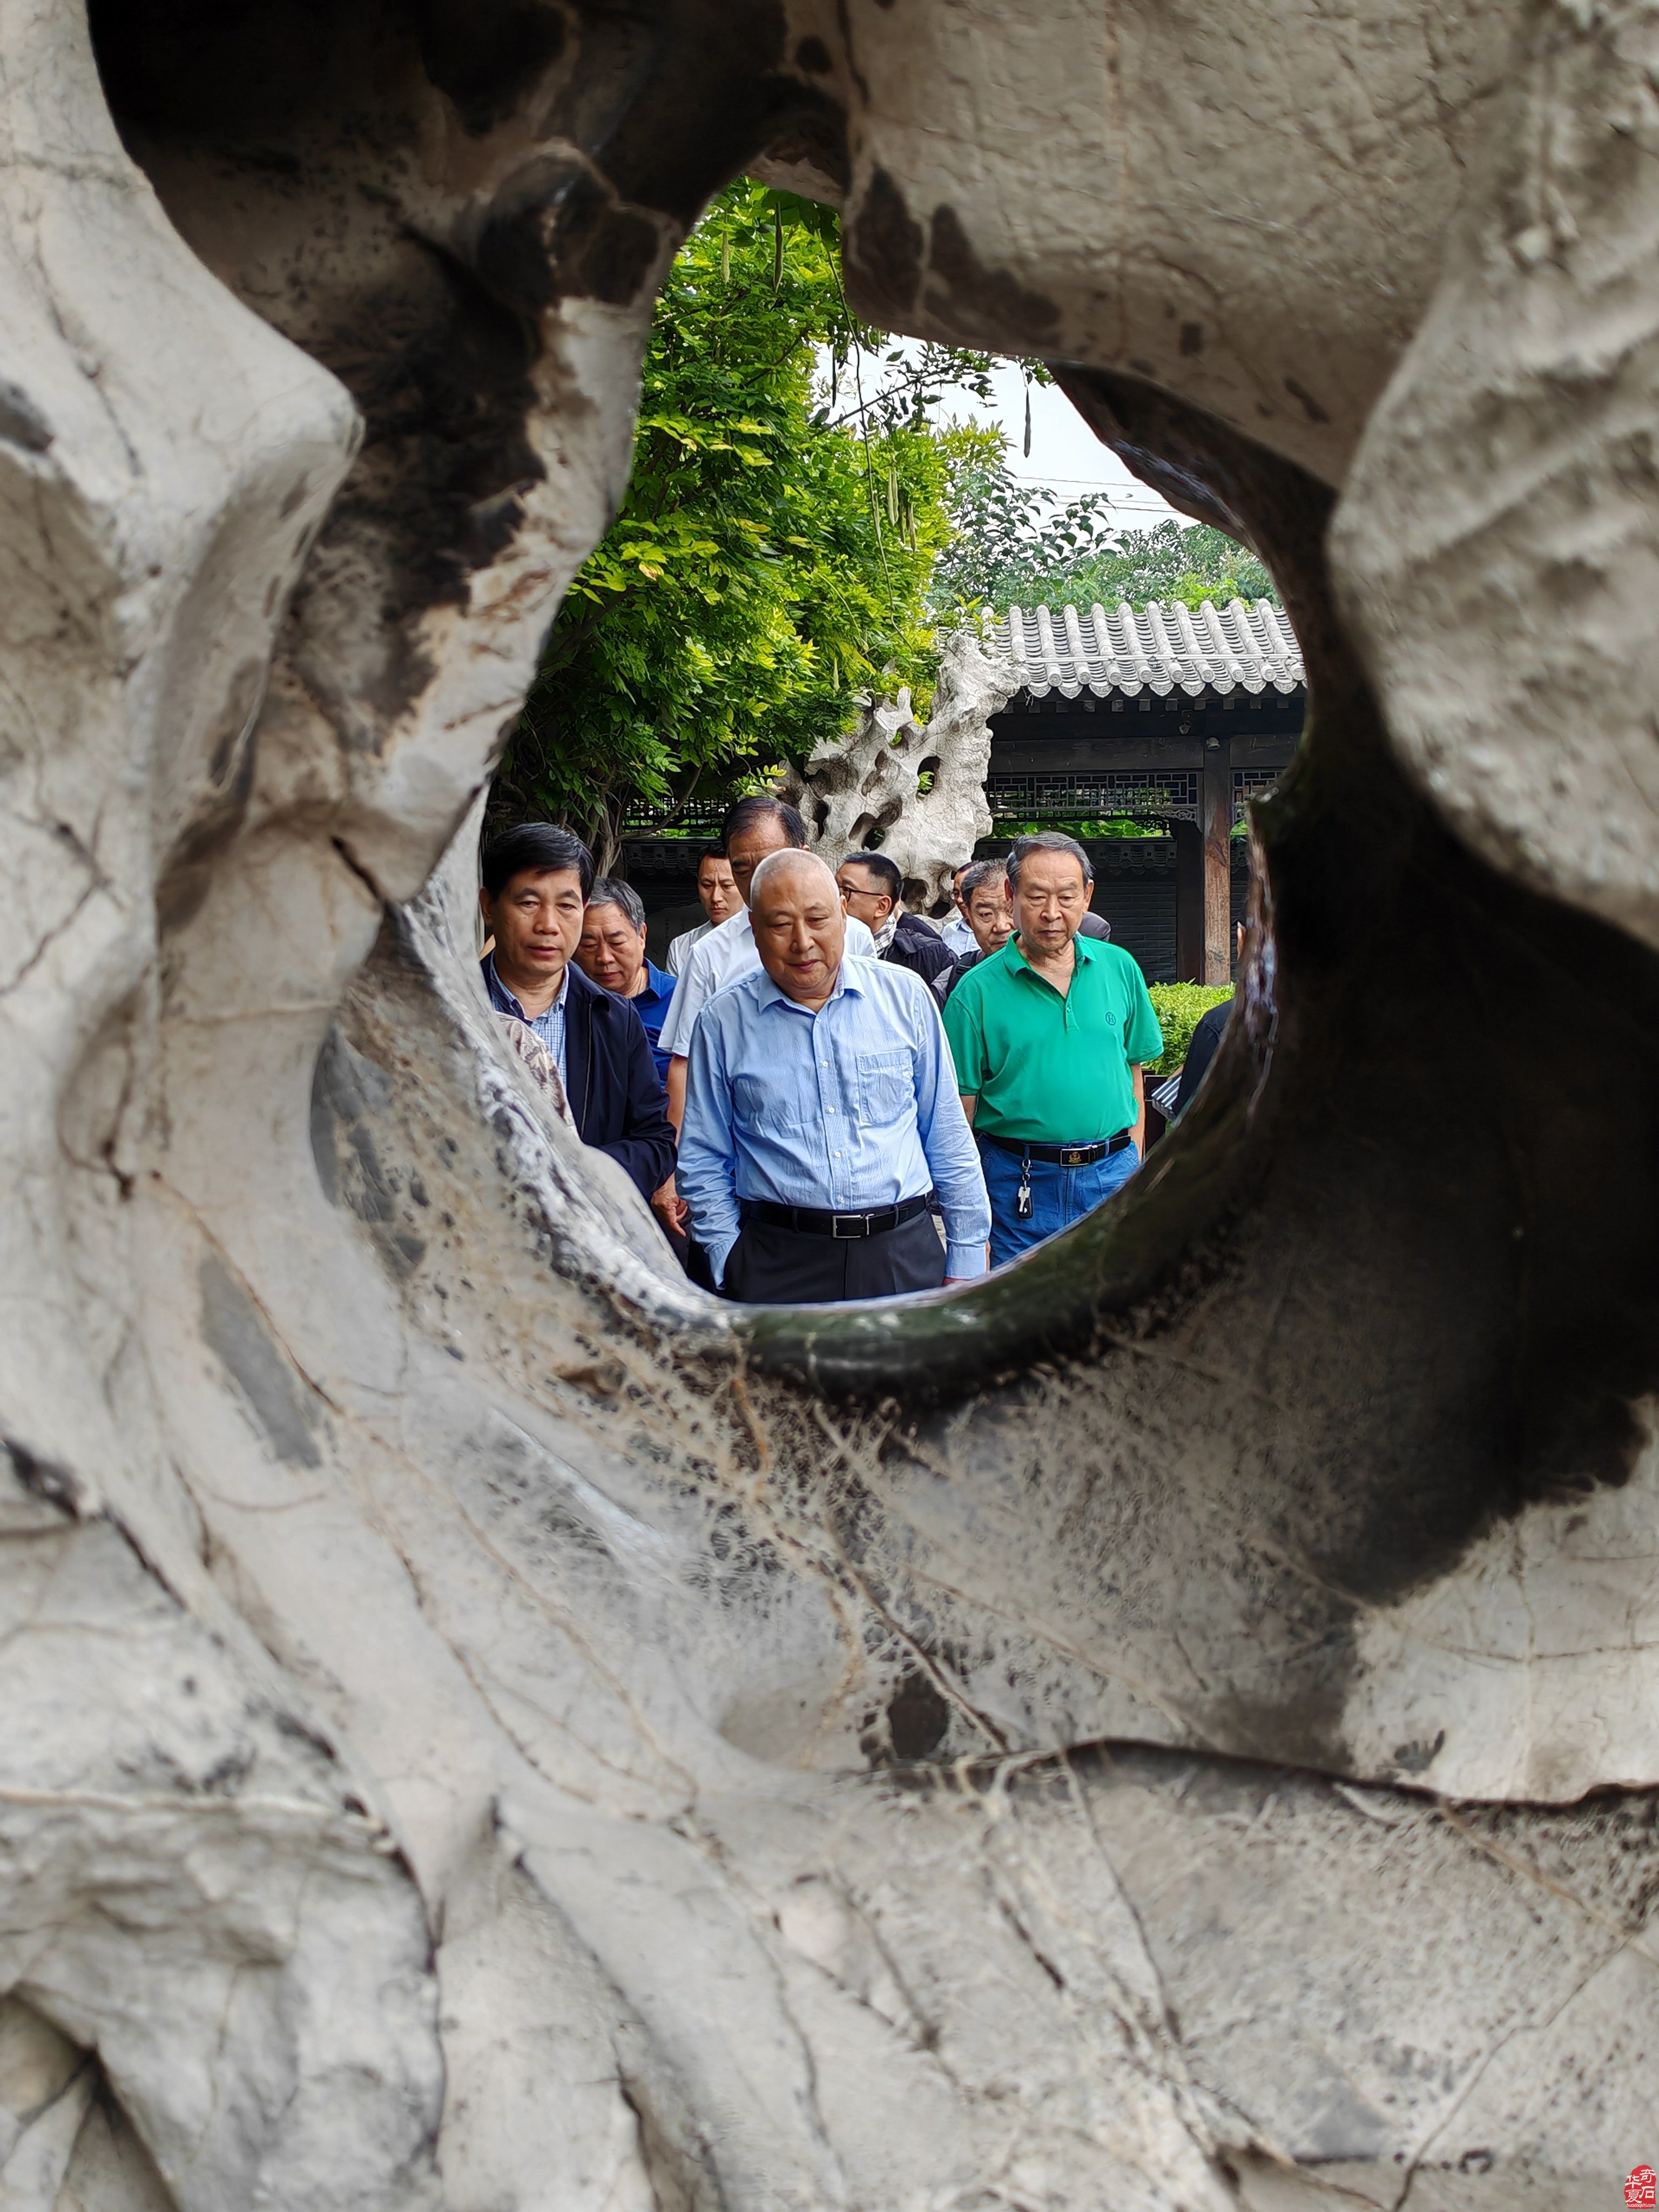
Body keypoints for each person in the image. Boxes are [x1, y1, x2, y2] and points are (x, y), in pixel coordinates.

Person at [678, 851, 990, 1303]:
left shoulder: (905, 998)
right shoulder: (723, 1020)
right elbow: (703, 1156)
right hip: (778, 1260)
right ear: (755, 930)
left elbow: (945, 1134)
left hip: (902, 1254)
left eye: (817, 919)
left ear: (843, 916)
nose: (802, 942)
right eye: (781, 924)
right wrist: (730, 1257)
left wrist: (965, 1257)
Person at [653, 795, 877, 1244]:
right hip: (750, 1171)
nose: (756, 878)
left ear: (804, 856)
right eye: (741, 868)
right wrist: (673, 1169)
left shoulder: (853, 936)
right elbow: (683, 1063)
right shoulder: (709, 953)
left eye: (769, 861)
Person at [943, 831, 1163, 1267]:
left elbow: (1133, 1073)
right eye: (1037, 896)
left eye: (1066, 897)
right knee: (1020, 1324)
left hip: (1112, 1175)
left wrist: (1132, 1160)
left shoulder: (1119, 968)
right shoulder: (975, 993)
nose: (1052, 913)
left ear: (1087, 896)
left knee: (1110, 1314)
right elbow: (957, 1119)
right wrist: (968, 1225)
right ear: (1011, 894)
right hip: (1016, 1185)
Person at [480, 824, 675, 1204]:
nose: (549, 925)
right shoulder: (449, 1008)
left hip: (586, 1237)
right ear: (488, 906)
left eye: (567, 906)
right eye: (528, 903)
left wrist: (579, 1168)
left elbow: (656, 1143)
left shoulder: (614, 1019)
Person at [574, 878, 676, 1081]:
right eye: (589, 945)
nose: (604, 958)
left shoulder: (681, 1000)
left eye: (616, 942)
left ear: (642, 936)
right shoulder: (566, 1004)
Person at [835, 851, 956, 989]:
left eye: (846, 891)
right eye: (833, 888)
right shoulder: (815, 946)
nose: (835, 899)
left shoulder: (931, 956)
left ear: (882, 906)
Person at [935, 858, 1014, 1006]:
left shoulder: (1068, 975)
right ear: (969, 916)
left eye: (1011, 910)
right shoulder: (952, 984)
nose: (1002, 926)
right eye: (985, 914)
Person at [665, 847, 741, 976]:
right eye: (707, 885)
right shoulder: (681, 948)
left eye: (726, 886)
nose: (716, 897)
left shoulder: (767, 941)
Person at [938, 860, 977, 956]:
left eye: (966, 892)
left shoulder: (1001, 934)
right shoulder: (950, 930)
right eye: (956, 894)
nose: (959, 900)